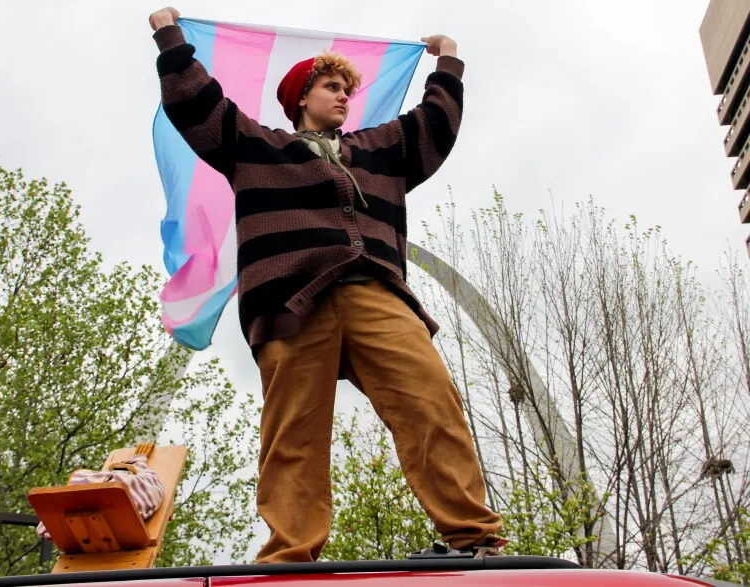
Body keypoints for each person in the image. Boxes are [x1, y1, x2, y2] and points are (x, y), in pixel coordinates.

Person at [148, 7, 505, 563]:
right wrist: (169, 36)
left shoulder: (377, 151)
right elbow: (198, 107)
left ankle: (475, 539)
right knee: (294, 433)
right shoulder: (256, 147)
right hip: (290, 302)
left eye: (347, 88)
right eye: (330, 86)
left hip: (376, 294)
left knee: (431, 402)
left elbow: (434, 127)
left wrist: (450, 64)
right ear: (300, 99)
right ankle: (290, 555)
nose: (343, 97)